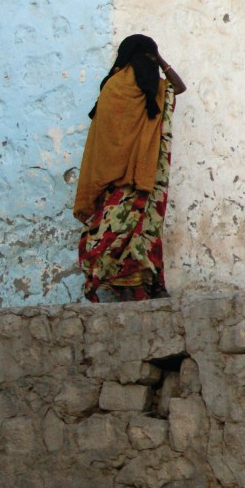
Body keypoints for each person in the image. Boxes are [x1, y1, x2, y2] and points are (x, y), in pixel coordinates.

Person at [73, 34, 186, 302]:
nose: (151, 64)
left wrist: (157, 57)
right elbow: (108, 140)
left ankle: (149, 284)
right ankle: (123, 287)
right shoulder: (114, 89)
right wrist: (123, 167)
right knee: (114, 235)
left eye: (153, 60)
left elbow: (179, 87)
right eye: (146, 58)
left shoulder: (154, 88)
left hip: (145, 180)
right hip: (117, 183)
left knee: (146, 234)